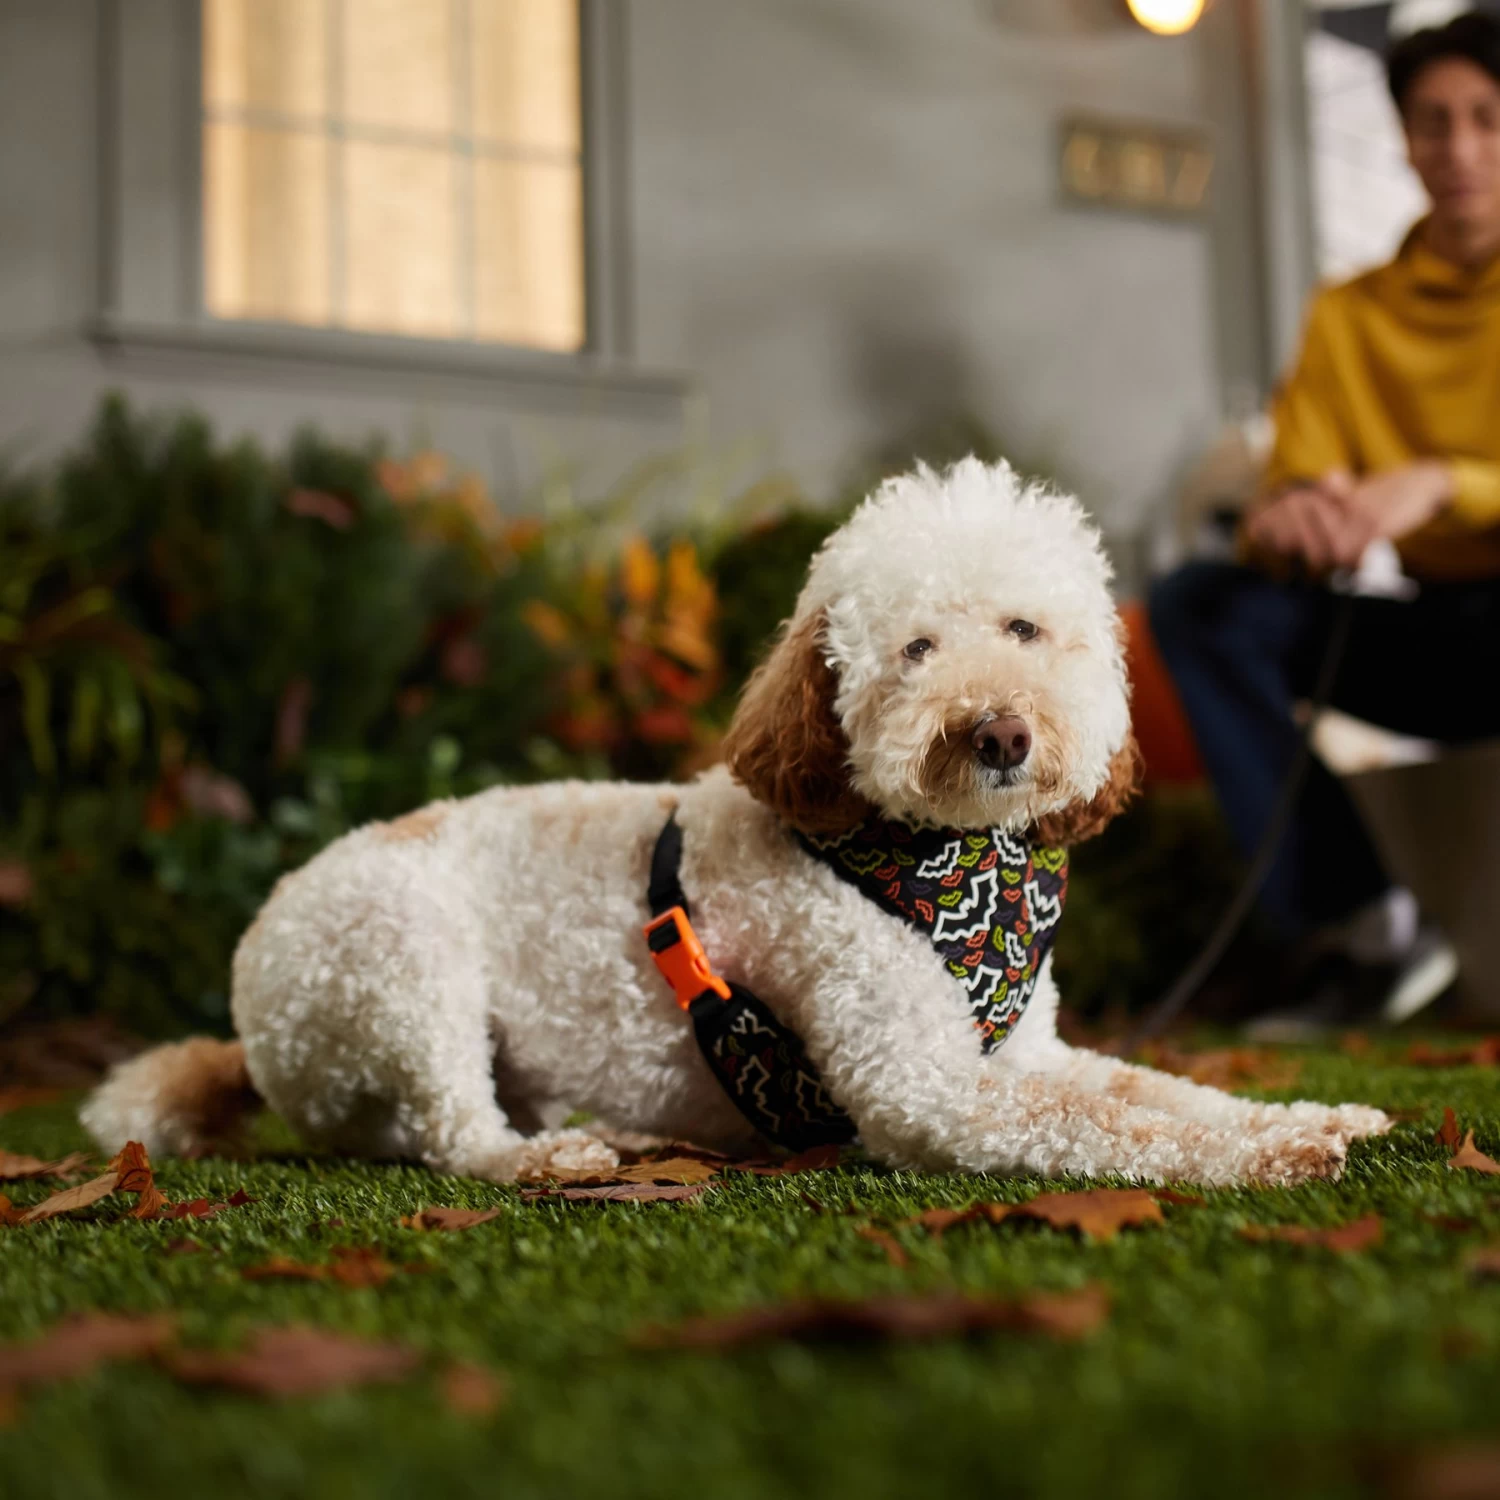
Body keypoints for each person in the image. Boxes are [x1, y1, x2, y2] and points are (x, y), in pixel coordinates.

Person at [1149, 10, 1500, 1034]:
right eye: (1433, 122)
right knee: (1204, 605)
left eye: (1487, 118)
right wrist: (1297, 513)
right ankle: (1362, 926)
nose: (1461, 148)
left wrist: (1440, 484)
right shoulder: (1351, 312)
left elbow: (1436, 486)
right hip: (1434, 634)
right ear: (1403, 136)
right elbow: (1295, 484)